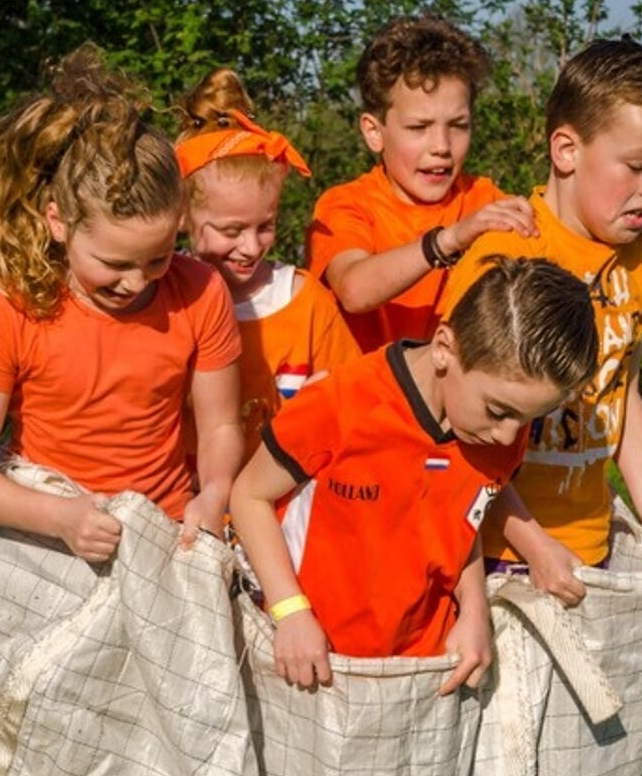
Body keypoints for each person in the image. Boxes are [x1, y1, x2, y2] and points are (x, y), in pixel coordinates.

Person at [229, 257, 596, 695]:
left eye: (531, 418)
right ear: (445, 347)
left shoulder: (497, 429)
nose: (508, 436)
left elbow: (461, 520)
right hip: (314, 656)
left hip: (424, 666)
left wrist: (474, 610)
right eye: (499, 411)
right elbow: (248, 497)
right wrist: (290, 612)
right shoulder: (342, 404)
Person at [0, 47, 243, 562]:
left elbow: (219, 427)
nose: (135, 282)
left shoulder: (201, 291)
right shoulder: (9, 308)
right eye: (113, 263)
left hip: (164, 533)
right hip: (41, 536)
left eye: (158, 258)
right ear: (58, 222)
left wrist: (213, 493)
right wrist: (60, 518)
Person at [435, 37, 642, 602]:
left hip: (587, 541)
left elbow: (623, 388)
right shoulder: (503, 256)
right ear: (566, 150)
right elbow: (454, 425)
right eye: (637, 165)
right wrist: (531, 543)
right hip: (489, 551)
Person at [306, 13, 536, 351]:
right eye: (418, 128)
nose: (441, 146)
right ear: (374, 132)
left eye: (458, 125)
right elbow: (354, 290)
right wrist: (450, 241)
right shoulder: (346, 205)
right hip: (365, 399)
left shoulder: (485, 201)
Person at [175, 69, 360, 458]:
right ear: (182, 216)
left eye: (266, 226)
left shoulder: (305, 302)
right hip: (186, 500)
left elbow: (355, 397)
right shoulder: (167, 296)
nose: (250, 246)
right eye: (231, 230)